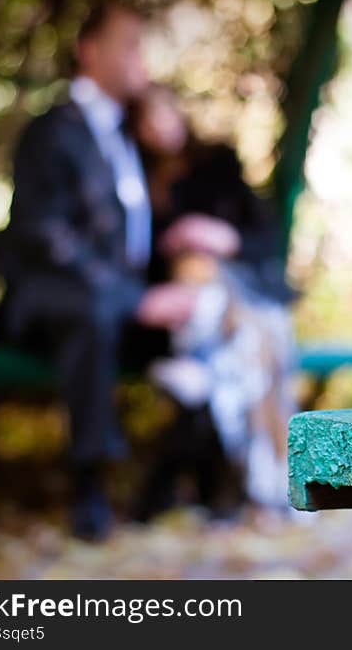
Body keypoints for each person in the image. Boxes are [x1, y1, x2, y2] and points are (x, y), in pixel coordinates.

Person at [0, 1, 199, 540]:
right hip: (51, 302)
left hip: (119, 302)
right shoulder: (52, 131)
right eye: (129, 44)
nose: (141, 58)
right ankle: (90, 484)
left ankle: (184, 477)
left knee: (204, 319)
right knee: (92, 314)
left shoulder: (130, 137)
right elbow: (44, 236)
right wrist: (135, 299)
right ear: (90, 51)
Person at [130, 87, 299, 513]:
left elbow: (265, 240)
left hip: (236, 306)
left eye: (162, 112)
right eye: (145, 119)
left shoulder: (217, 168)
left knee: (247, 349)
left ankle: (263, 476)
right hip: (173, 316)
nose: (158, 126)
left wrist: (223, 239)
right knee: (236, 345)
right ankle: (261, 483)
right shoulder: (133, 184)